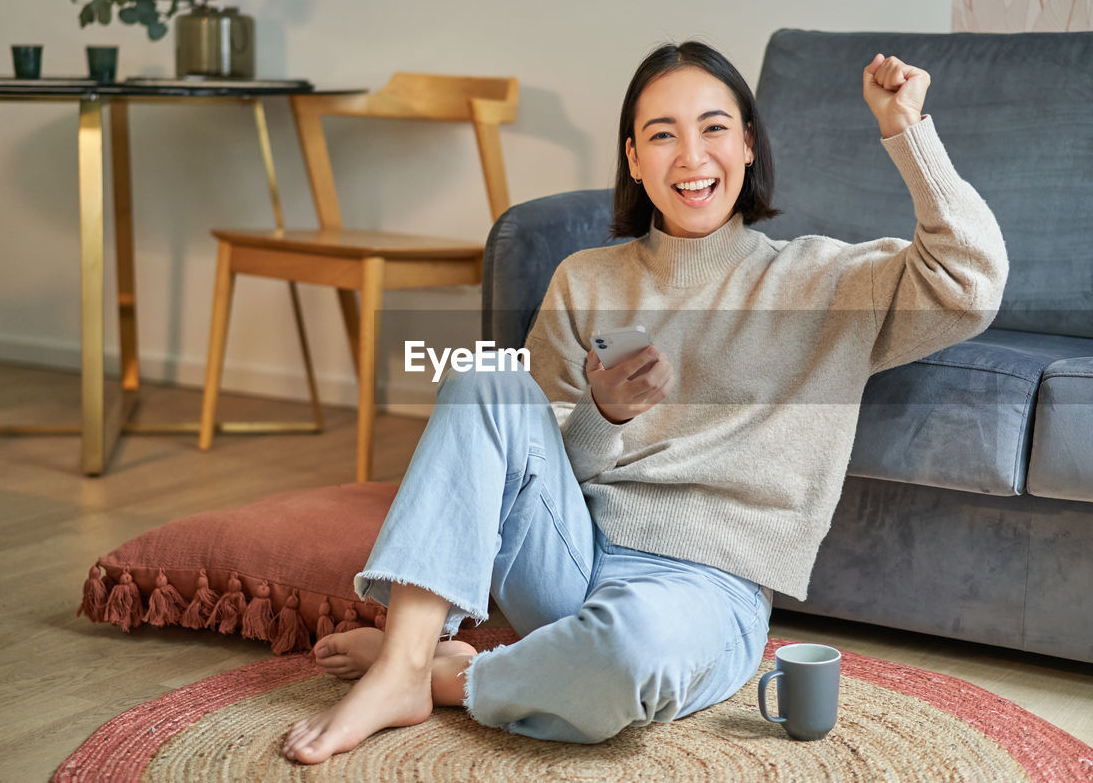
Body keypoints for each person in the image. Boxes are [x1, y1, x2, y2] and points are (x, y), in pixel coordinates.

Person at [282, 41, 1008, 764]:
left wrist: (905, 128)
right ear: (633, 158)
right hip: (572, 554)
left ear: (749, 145)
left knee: (628, 653)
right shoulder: (585, 279)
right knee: (482, 380)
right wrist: (605, 415)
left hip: (703, 591)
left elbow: (970, 284)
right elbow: (533, 471)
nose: (692, 156)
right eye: (663, 134)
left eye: (715, 128)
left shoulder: (824, 280)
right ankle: (404, 664)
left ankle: (458, 673)